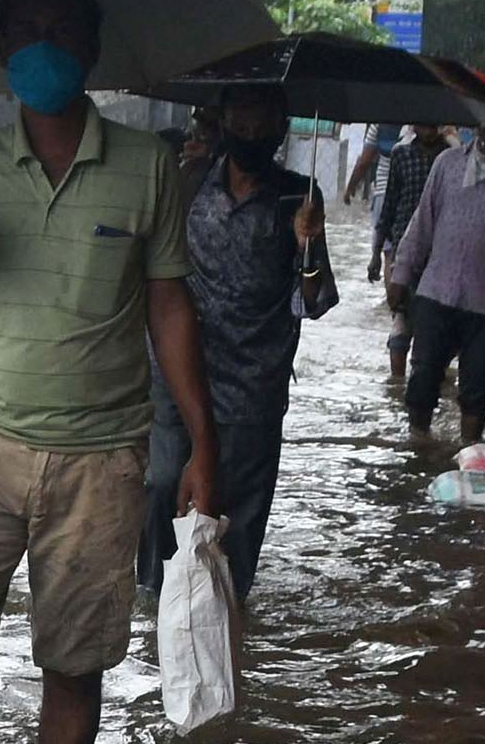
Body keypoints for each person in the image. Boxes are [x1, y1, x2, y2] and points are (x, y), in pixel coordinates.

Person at [0, 0, 219, 744]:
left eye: (61, 30)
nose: (44, 45)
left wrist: (200, 442)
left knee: (75, 665)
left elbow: (170, 308)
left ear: (90, 49)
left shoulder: (146, 165)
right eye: (27, 31)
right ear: (4, 50)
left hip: (102, 455)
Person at [142, 79, 338, 602]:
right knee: (162, 484)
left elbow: (313, 302)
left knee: (237, 516)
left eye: (262, 125)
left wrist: (309, 248)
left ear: (281, 130)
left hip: (253, 385)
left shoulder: (299, 197)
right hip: (178, 371)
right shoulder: (186, 184)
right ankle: (151, 602)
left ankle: (229, 612)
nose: (250, 133)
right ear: (222, 123)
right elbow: (154, 275)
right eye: (241, 122)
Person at [383, 104, 485, 444]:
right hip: (436, 291)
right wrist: (401, 272)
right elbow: (422, 223)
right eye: (483, 120)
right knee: (424, 376)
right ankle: (418, 450)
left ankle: (467, 454)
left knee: (477, 387)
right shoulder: (448, 164)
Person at [343, 120, 441, 290]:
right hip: (394, 197)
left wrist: (351, 186)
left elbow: (365, 161)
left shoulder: (379, 125)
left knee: (391, 254)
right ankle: (395, 300)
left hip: (383, 193)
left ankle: (393, 299)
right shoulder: (411, 142)